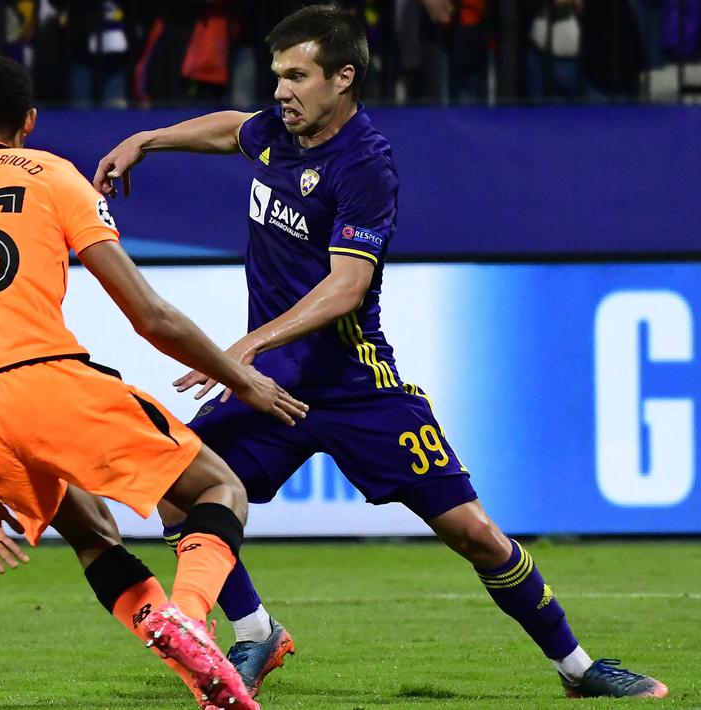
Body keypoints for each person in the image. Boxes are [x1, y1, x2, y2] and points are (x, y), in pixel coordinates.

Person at [93, 4, 669, 701]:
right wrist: (148, 139)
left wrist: (249, 341)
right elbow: (228, 129)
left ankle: (578, 670)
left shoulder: (365, 163)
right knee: (177, 489)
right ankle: (255, 633)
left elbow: (346, 286)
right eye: (277, 75)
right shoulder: (278, 129)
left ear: (343, 77)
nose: (280, 90)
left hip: (353, 385)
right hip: (273, 383)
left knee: (476, 534)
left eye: (296, 76)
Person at [0, 53, 311, 710]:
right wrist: (243, 380)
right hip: (36, 381)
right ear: (29, 120)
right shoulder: (50, 176)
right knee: (218, 486)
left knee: (91, 535)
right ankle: (190, 615)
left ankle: (205, 678)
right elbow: (149, 315)